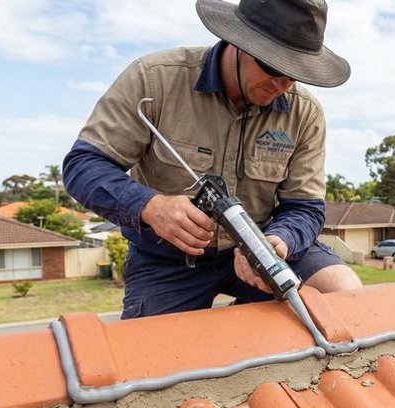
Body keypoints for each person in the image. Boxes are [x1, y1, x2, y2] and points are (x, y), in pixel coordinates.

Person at [63, 0, 362, 319]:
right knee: (154, 361)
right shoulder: (154, 81)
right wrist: (151, 207)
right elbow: (83, 167)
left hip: (262, 252)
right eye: (273, 66)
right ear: (239, 41)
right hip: (168, 260)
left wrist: (278, 241)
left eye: (296, 73)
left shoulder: (305, 113)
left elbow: (305, 207)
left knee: (346, 298)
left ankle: (248, 318)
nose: (282, 85)